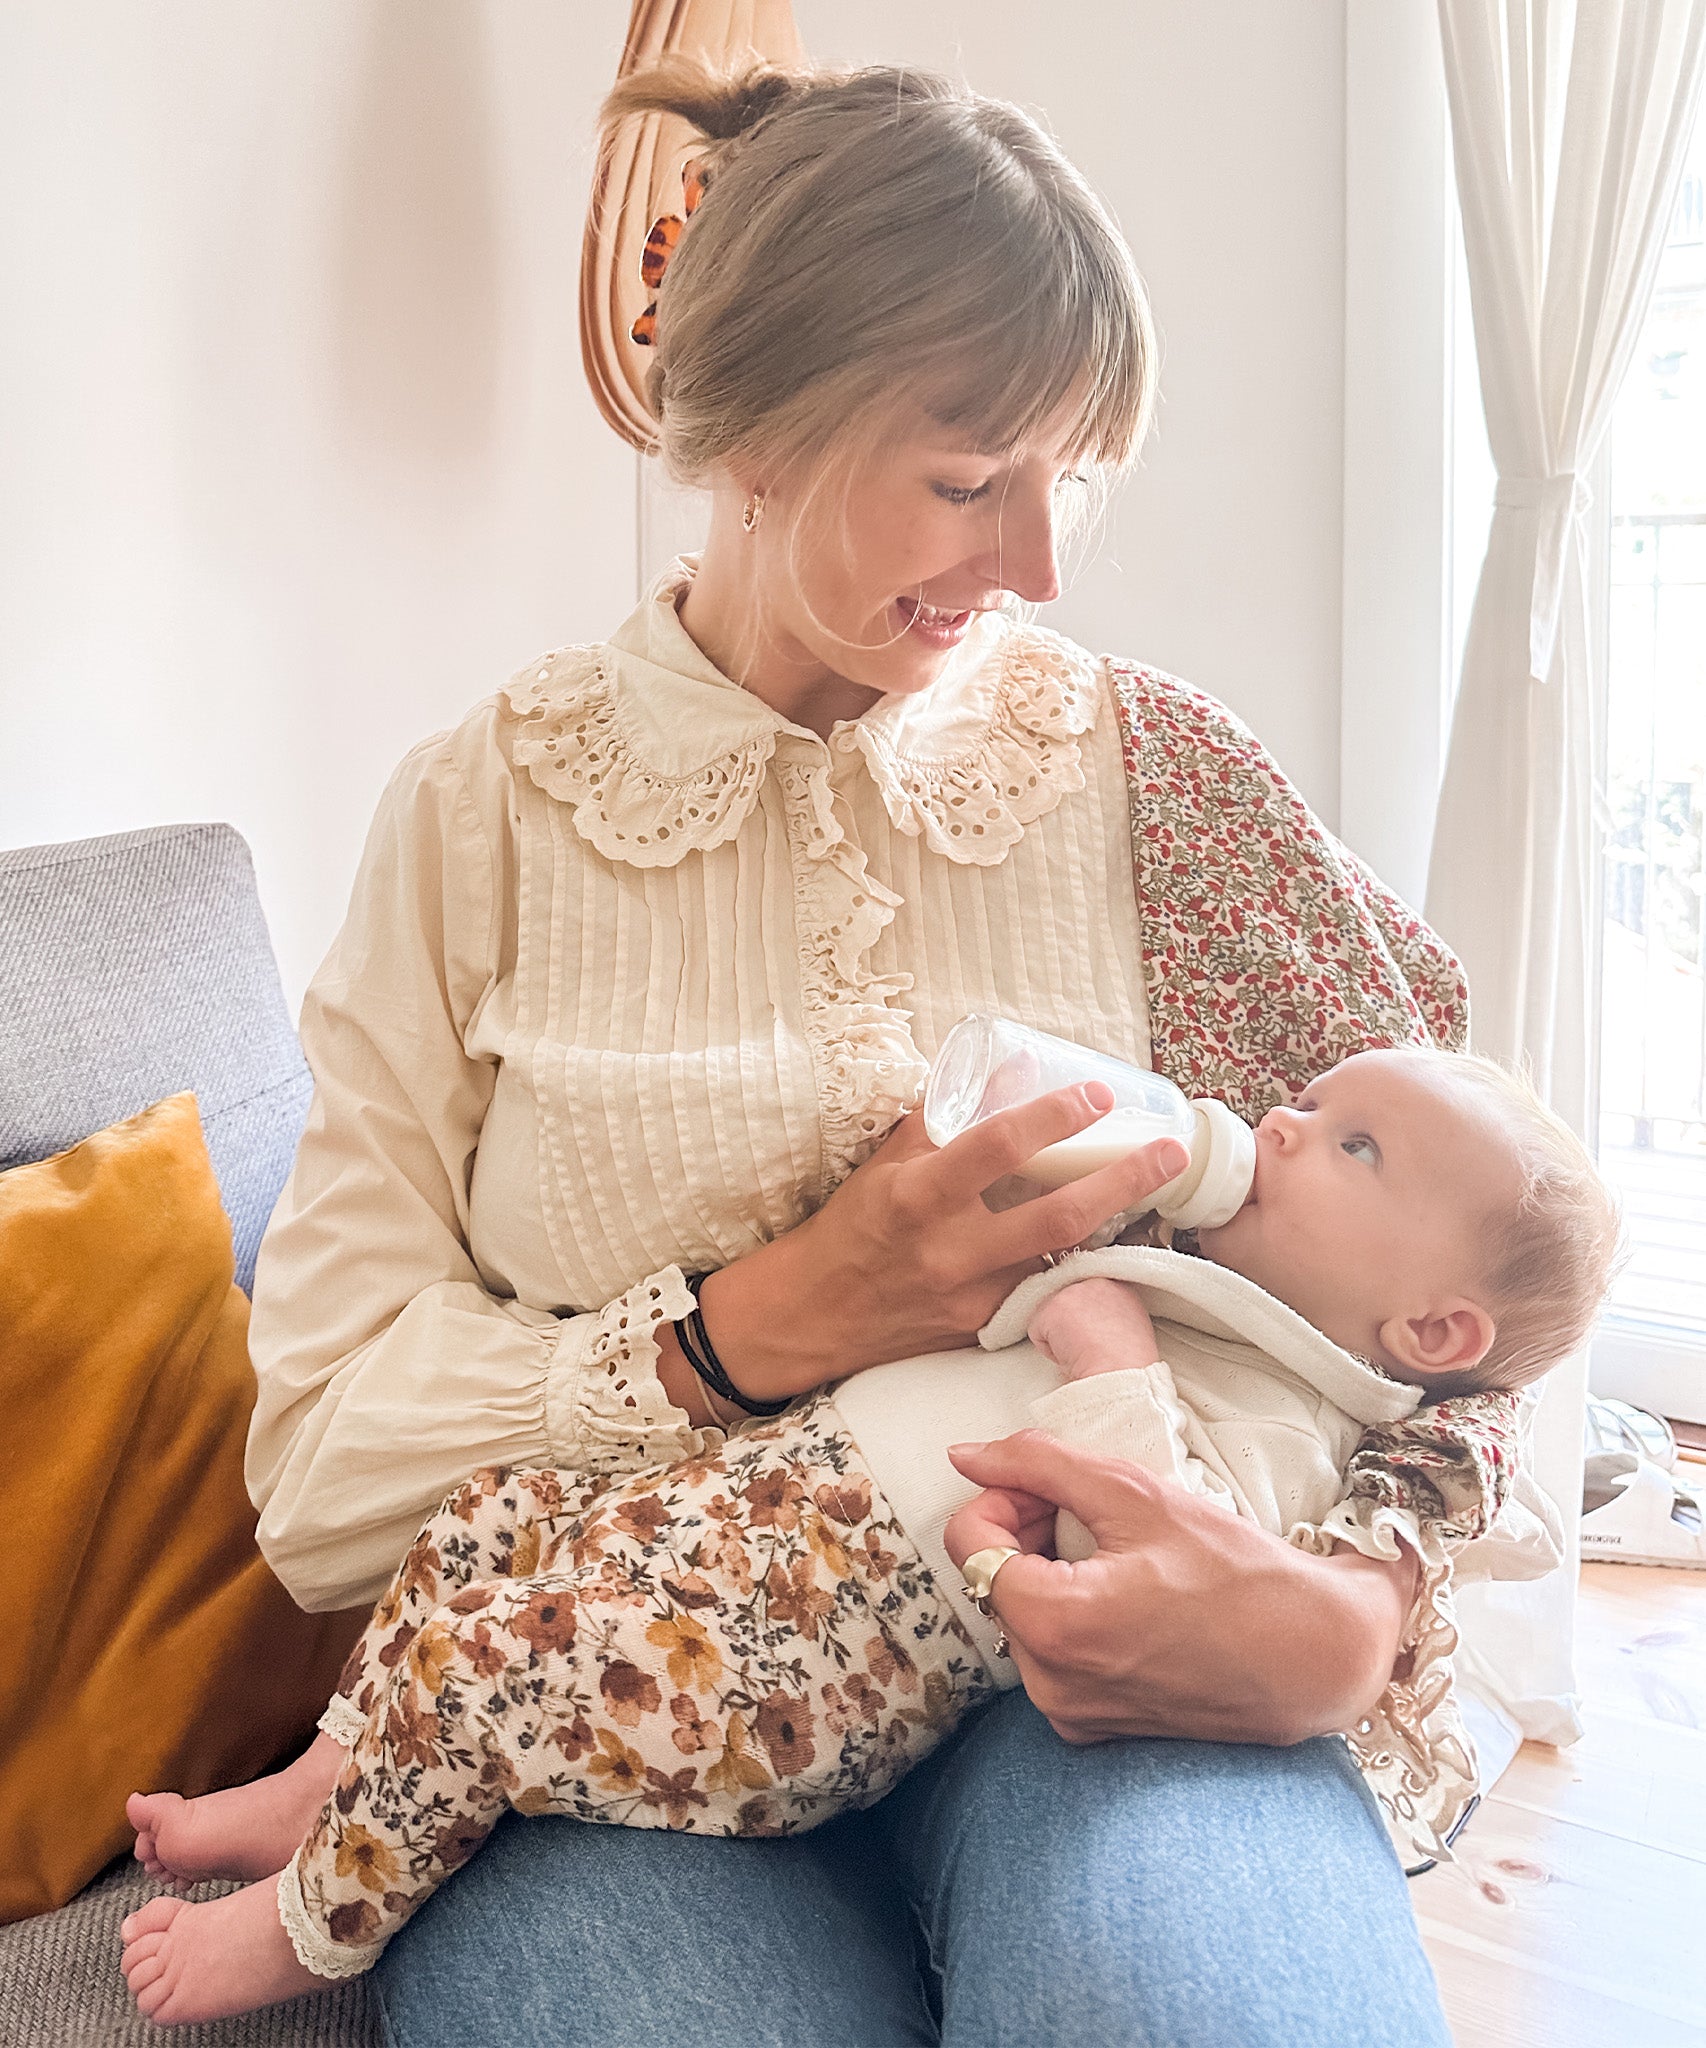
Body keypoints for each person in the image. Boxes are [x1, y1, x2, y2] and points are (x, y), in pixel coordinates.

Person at [122, 57, 1533, 2046]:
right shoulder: (482, 819)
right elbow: (325, 1475)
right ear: (756, 431)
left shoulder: (1162, 783)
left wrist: (1346, 1615)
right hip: (607, 1709)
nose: (1040, 562)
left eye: (1073, 472)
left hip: (1085, 1681)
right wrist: (746, 1331)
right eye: (969, 480)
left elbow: (1492, 1266)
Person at [119, 1045, 1617, 2023]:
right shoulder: (1211, 1273)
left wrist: (1113, 1370)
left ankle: (305, 1932)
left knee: (486, 1675)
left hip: (828, 1644)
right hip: (767, 1501)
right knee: (485, 1520)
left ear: (1431, 1332)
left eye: (1352, 1148)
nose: (1280, 1119)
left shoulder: (1306, 1415)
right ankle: (323, 1781)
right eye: (1316, 1102)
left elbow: (1174, 1569)